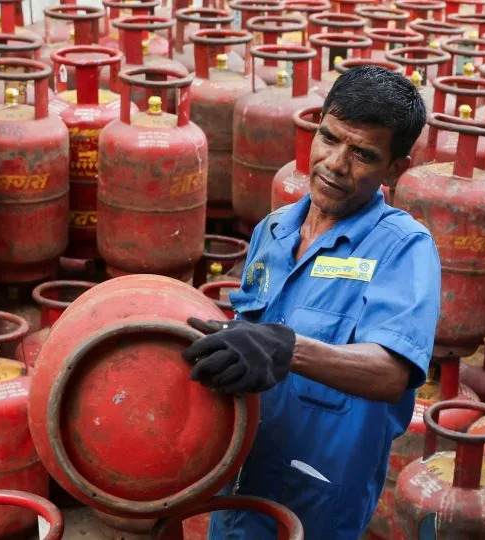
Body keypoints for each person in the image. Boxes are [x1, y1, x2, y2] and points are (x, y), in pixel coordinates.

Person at [182, 65, 442, 539]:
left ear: (395, 169)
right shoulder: (274, 229)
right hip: (240, 478)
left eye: (362, 154)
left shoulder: (404, 248)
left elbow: (391, 372)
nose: (335, 164)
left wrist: (287, 349)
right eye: (330, 137)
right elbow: (249, 332)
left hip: (318, 495)